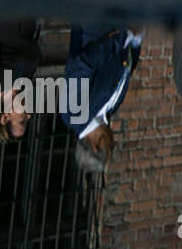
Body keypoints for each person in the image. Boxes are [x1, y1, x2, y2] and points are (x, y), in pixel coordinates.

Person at [61, 26, 143, 174]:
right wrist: (136, 42)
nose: (114, 142)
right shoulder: (110, 111)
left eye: (110, 147)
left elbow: (84, 63)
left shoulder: (73, 116)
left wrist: (123, 37)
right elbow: (123, 72)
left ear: (97, 146)